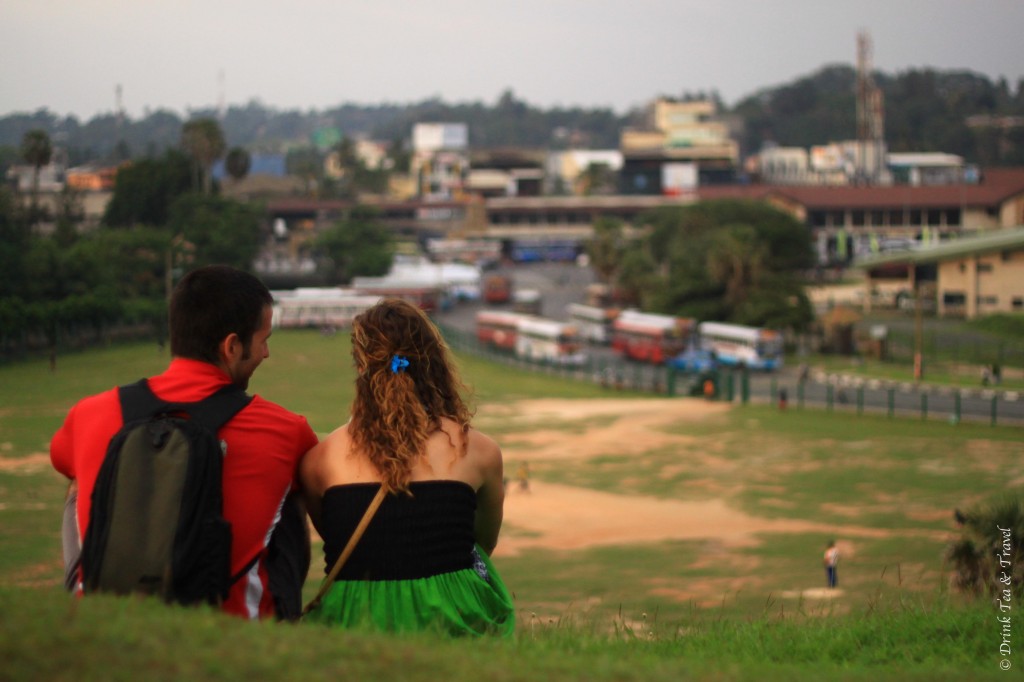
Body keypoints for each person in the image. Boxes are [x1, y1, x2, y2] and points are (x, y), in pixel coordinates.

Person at [50, 265, 319, 620]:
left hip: (111, 628)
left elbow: (63, 461)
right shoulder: (287, 430)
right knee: (292, 489)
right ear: (232, 346)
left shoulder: (88, 414)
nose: (266, 354)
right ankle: (273, 619)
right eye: (263, 340)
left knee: (78, 482)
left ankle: (86, 599)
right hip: (230, 633)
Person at [300, 298, 514, 637]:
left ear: (361, 365)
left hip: (354, 616)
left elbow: (339, 538)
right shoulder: (480, 451)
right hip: (453, 612)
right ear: (434, 361)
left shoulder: (320, 459)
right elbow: (482, 543)